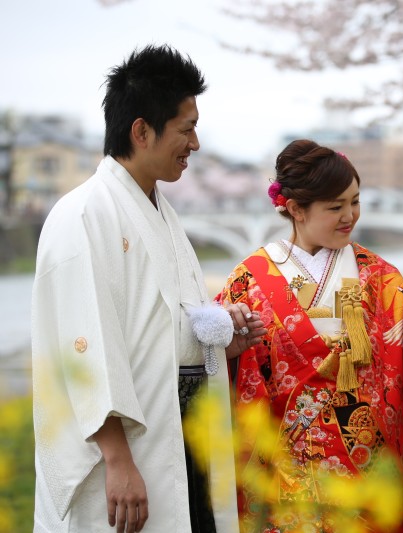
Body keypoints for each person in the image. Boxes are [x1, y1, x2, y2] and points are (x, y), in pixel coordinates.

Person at [216, 139, 403, 532]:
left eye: (355, 201)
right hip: (290, 475)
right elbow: (228, 373)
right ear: (296, 209)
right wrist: (224, 344)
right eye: (335, 206)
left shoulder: (375, 273)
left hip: (371, 469)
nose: (349, 215)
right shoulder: (248, 281)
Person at [31, 44, 263, 532]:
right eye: (186, 128)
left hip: (182, 437)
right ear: (141, 131)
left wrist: (217, 342)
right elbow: (82, 346)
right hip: (124, 454)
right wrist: (118, 461)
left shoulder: (162, 212)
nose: (195, 143)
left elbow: (165, 324)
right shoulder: (84, 215)